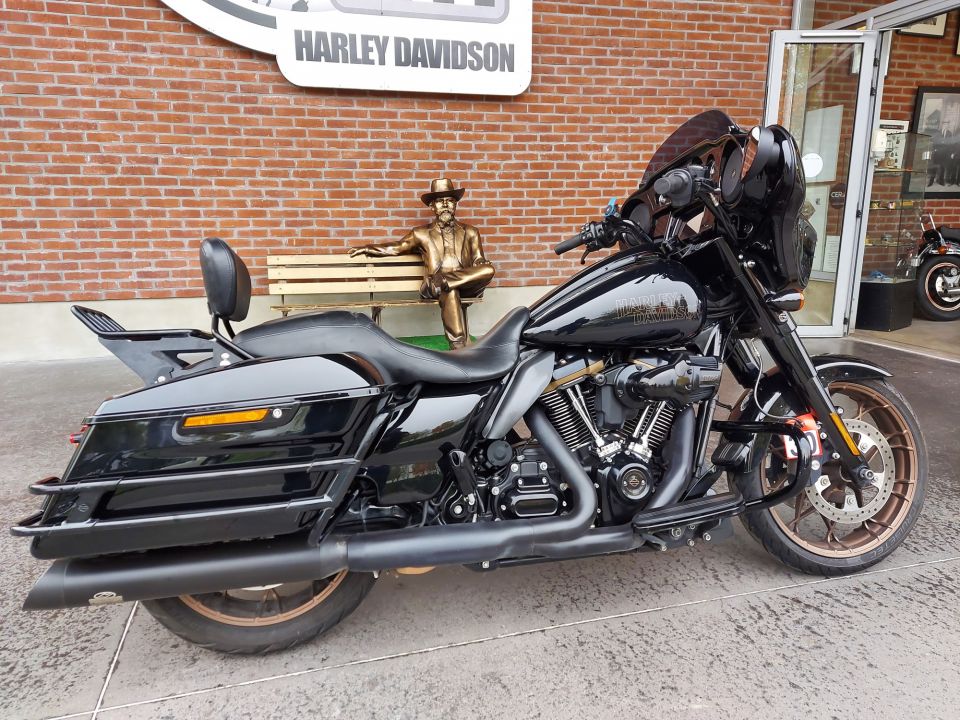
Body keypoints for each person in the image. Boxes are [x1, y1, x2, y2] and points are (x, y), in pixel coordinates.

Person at [349, 178, 495, 349]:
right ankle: (458, 345)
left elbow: (478, 260)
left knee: (488, 269)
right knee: (450, 290)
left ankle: (447, 280)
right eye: (440, 202)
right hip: (435, 286)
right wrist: (368, 249)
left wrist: (481, 262)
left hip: (467, 284)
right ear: (432, 207)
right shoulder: (421, 233)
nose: (446, 205)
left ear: (456, 205)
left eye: (450, 201)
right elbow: (398, 247)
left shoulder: (471, 232)